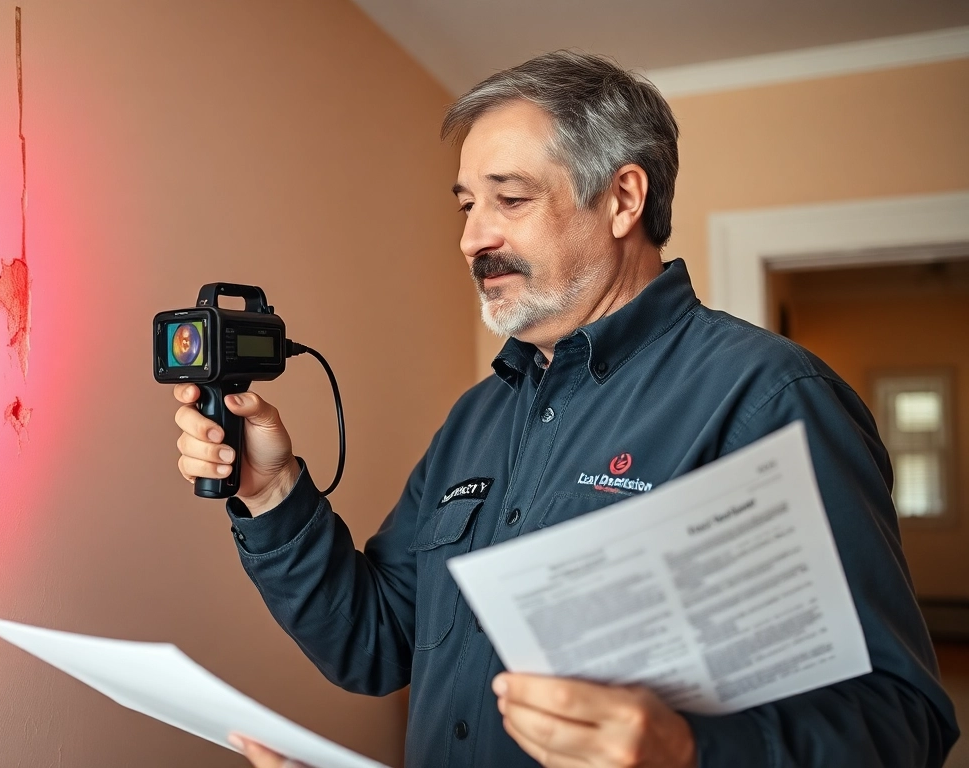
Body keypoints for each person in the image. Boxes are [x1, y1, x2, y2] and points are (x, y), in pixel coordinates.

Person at [171, 51, 959, 767]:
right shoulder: (476, 418)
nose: (472, 238)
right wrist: (271, 493)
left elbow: (902, 723)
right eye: (466, 206)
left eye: (509, 199)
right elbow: (374, 644)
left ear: (622, 198)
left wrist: (689, 751)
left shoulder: (768, 397)